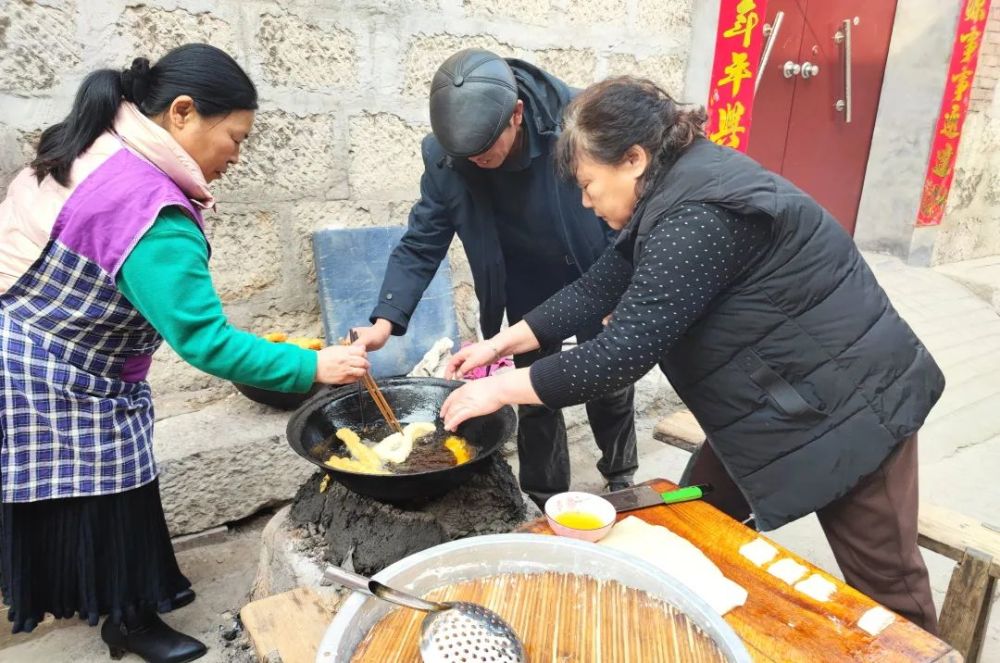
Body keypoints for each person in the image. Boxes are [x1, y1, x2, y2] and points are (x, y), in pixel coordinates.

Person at [440, 77, 945, 634]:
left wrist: (495, 388)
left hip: (850, 405)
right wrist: (499, 345)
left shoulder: (696, 215)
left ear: (632, 159)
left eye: (588, 184)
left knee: (890, 589)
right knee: (690, 512)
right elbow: (596, 290)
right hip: (772, 401)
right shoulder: (673, 188)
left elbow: (618, 355)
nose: (585, 201)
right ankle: (699, 620)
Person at [0, 45, 368, 662]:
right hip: (52, 371)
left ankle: (127, 610)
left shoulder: (96, 145)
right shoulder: (147, 206)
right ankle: (129, 622)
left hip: (46, 348)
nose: (236, 155)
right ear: (181, 112)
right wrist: (314, 366)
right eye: (234, 137)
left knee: (113, 489)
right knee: (106, 492)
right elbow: (204, 340)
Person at [351, 49, 638, 508]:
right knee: (534, 391)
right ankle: (545, 497)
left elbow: (623, 213)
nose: (477, 162)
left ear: (517, 116)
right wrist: (384, 321)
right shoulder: (448, 156)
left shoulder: (581, 124)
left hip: (595, 269)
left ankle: (621, 474)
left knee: (609, 382)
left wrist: (623, 292)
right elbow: (423, 240)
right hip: (524, 279)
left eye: (485, 151)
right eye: (465, 156)